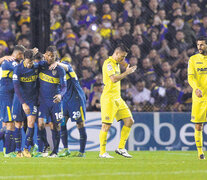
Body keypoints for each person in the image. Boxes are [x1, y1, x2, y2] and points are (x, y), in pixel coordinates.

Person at [99, 44, 137, 158]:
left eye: (125, 57)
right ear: (116, 53)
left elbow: (122, 64)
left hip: (117, 98)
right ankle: (102, 152)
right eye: (122, 56)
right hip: (109, 99)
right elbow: (114, 79)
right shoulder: (108, 63)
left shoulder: (116, 63)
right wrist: (127, 72)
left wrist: (125, 65)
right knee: (106, 126)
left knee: (129, 121)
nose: (123, 59)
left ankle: (121, 148)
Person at [49, 57, 87, 157]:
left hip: (76, 99)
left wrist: (57, 63)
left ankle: (82, 152)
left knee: (80, 124)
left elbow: (67, 67)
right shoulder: (54, 72)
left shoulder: (65, 66)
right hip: (64, 100)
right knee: (62, 123)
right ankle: (66, 149)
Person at [38, 46, 67, 157]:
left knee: (56, 126)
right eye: (48, 55)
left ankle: (55, 151)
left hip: (55, 101)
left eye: (52, 56)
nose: (50, 58)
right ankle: (46, 145)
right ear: (45, 55)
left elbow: (64, 87)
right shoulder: (41, 66)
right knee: (40, 124)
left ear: (56, 56)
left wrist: (60, 95)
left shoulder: (59, 69)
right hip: (43, 102)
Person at [12, 49, 38, 157]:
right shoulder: (18, 69)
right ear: (24, 59)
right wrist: (23, 103)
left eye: (31, 62)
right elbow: (16, 87)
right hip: (19, 99)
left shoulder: (36, 66)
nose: (29, 65)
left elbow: (46, 61)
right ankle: (18, 151)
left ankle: (26, 148)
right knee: (18, 124)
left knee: (31, 122)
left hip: (32, 99)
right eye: (28, 62)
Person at [0, 45, 25, 157]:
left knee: (7, 125)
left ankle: (10, 151)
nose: (23, 57)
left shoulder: (8, 61)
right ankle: (8, 152)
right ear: (18, 54)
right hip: (6, 96)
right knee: (10, 123)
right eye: (22, 55)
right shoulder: (9, 62)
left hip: (10, 96)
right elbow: (21, 69)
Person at [188, 36, 207, 160]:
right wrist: (196, 88)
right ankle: (200, 153)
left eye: (202, 45)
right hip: (199, 97)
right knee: (198, 125)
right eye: (198, 45)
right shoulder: (193, 59)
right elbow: (191, 77)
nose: (199, 47)